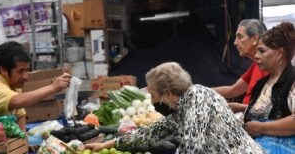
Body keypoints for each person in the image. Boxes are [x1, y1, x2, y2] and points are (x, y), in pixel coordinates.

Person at [86, 62, 264, 153]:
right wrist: (107, 144)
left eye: (154, 96)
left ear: (168, 94)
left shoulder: (198, 98)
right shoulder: (182, 107)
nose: (153, 100)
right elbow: (150, 133)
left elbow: (192, 148)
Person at [0, 41, 71, 131]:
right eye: (20, 71)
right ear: (4, 70)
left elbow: (20, 115)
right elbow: (17, 101)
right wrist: (52, 88)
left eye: (27, 70)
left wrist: (24, 145)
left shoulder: (14, 86)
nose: (26, 77)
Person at [243, 22, 295, 152]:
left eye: (261, 51)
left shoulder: (292, 80)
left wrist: (261, 128)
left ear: (279, 53)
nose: (256, 56)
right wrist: (242, 108)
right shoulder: (262, 84)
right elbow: (267, 110)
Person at [213, 19, 268, 113]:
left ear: (254, 39)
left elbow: (269, 110)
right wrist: (200, 90)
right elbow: (233, 90)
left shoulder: (272, 69)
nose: (235, 42)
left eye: (240, 37)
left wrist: (240, 107)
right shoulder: (255, 66)